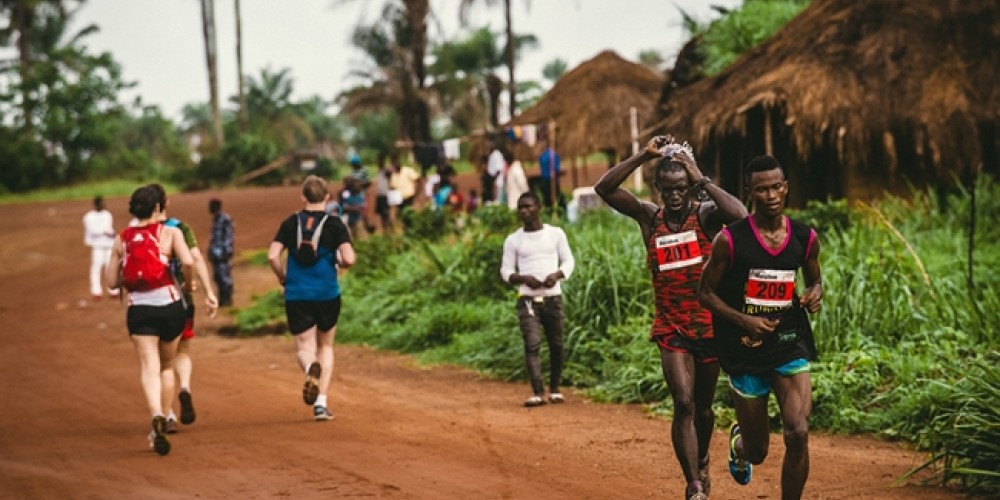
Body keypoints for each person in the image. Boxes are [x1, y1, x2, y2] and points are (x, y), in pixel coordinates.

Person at [594, 136, 748, 500]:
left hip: (708, 325)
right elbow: (604, 188)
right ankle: (693, 485)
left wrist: (701, 177)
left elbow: (741, 215)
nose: (675, 196)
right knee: (683, 402)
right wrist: (642, 155)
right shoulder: (650, 217)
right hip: (671, 326)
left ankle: (703, 457)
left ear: (689, 187)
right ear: (658, 189)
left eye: (681, 188)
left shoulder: (705, 215)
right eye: (668, 190)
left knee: (704, 410)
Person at [697, 155, 823, 500]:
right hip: (744, 349)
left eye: (776, 187)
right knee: (757, 452)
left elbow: (815, 280)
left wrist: (814, 293)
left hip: (788, 342)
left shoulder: (804, 237)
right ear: (749, 193)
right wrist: (745, 321)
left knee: (798, 432)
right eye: (762, 190)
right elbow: (704, 293)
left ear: (786, 187)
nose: (771, 196)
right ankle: (740, 444)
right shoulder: (730, 241)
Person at [105, 185, 218, 455]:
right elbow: (189, 261)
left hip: (140, 310)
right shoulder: (171, 232)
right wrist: (189, 285)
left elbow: (111, 282)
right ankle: (165, 419)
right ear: (158, 207)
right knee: (167, 366)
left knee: (149, 366)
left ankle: (156, 412)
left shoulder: (122, 238)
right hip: (170, 306)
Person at [267, 175, 356, 421]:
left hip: (297, 294)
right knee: (325, 346)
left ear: (303, 197)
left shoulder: (290, 223)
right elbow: (349, 258)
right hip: (327, 294)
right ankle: (321, 404)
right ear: (327, 197)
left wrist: (283, 278)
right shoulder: (335, 225)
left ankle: (309, 368)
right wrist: (338, 262)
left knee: (305, 347)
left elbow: (272, 255)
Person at [149, 184, 218, 434]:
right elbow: (195, 258)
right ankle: (185, 387)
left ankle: (167, 414)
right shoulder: (180, 228)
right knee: (182, 349)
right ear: (165, 203)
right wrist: (208, 292)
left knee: (159, 359)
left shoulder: (137, 233)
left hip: (150, 301)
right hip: (182, 299)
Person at [500, 192, 575, 408]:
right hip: (527, 300)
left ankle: (555, 389)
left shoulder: (555, 234)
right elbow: (506, 271)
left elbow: (568, 261)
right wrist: (524, 278)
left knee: (556, 345)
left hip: (553, 298)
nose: (524, 211)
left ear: (539, 207)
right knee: (532, 344)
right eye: (521, 208)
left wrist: (556, 275)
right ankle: (537, 392)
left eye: (528, 206)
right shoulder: (513, 240)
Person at [83, 195, 118, 300]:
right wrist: (105, 232)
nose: (104, 204)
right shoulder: (89, 216)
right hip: (97, 246)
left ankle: (113, 290)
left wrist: (111, 233)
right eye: (101, 203)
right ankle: (96, 291)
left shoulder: (107, 214)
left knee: (110, 268)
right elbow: (93, 230)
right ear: (96, 204)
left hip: (108, 245)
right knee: (96, 268)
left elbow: (109, 228)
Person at [208, 198, 235, 307]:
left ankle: (227, 299)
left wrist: (226, 251)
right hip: (216, 253)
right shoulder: (216, 219)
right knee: (217, 276)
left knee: (224, 277)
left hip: (223, 254)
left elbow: (229, 236)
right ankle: (222, 299)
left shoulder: (225, 219)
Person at [538, 143, 562, 209]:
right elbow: (556, 169)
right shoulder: (554, 155)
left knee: (547, 202)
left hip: (543, 181)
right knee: (557, 200)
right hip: (552, 182)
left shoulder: (542, 156)